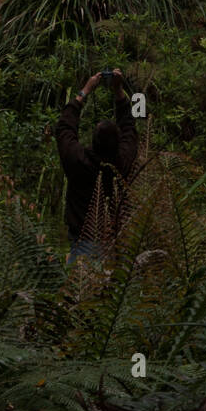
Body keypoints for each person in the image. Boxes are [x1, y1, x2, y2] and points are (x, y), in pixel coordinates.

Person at [55, 68, 138, 264]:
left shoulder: (78, 160)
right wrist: (119, 92)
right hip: (116, 247)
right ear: (118, 144)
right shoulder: (123, 162)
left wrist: (84, 91)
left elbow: (64, 128)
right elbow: (129, 128)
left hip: (82, 244)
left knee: (79, 292)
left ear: (92, 141)